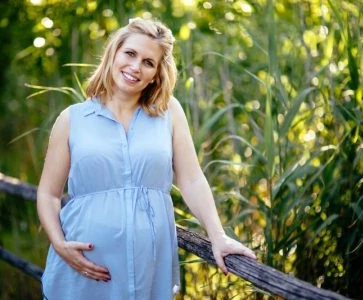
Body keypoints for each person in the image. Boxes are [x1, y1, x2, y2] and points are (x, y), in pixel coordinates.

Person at [37, 17, 256, 300]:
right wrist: (59, 244)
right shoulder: (72, 119)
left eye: (148, 62)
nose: (135, 67)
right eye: (130, 54)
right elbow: (48, 194)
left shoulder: (170, 113)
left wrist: (218, 236)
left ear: (156, 73)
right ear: (113, 53)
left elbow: (191, 179)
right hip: (82, 271)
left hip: (147, 272)